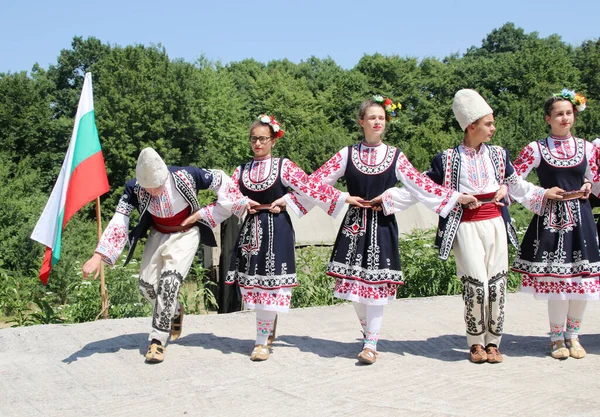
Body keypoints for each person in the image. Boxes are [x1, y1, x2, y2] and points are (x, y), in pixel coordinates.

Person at [381, 89, 563, 363]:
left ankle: (494, 343)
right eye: (488, 123)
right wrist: (388, 198)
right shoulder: (446, 159)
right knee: (476, 284)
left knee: (498, 284)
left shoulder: (500, 155)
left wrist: (541, 193)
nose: (493, 128)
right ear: (471, 126)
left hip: (496, 224)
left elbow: (518, 185)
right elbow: (423, 187)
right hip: (466, 226)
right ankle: (475, 342)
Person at [306, 96, 475, 364]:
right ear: (361, 122)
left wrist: (454, 197)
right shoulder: (347, 154)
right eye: (372, 117)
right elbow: (313, 183)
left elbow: (419, 185)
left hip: (382, 224)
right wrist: (342, 198)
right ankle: (367, 333)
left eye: (381, 118)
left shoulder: (395, 155)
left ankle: (371, 343)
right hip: (354, 225)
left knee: (375, 287)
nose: (377, 122)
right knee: (354, 289)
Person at [82, 147, 246, 364]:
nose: (154, 192)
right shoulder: (133, 188)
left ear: (165, 175)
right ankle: (175, 309)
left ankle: (157, 341)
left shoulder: (187, 176)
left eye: (157, 186)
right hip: (157, 235)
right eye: (148, 188)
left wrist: (205, 213)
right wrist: (98, 256)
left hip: (186, 234)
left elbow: (223, 181)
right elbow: (120, 218)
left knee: (169, 284)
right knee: (146, 287)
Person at [225, 115, 361, 362]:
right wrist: (244, 202)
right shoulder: (241, 170)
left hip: (277, 229)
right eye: (253, 139)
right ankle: (265, 330)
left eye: (262, 139)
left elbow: (310, 186)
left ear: (273, 140)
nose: (257, 143)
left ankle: (260, 342)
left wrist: (341, 197)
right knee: (254, 284)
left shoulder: (282, 166)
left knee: (270, 282)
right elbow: (229, 195)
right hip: (252, 230)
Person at [512, 89, 600, 360]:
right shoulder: (536, 148)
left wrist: (588, 184)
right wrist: (541, 193)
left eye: (568, 113)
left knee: (581, 283)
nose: (565, 118)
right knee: (558, 284)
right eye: (559, 114)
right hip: (552, 221)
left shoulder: (587, 147)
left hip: (582, 219)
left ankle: (574, 335)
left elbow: (595, 178)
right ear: (547, 118)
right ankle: (556, 338)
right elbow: (512, 180)